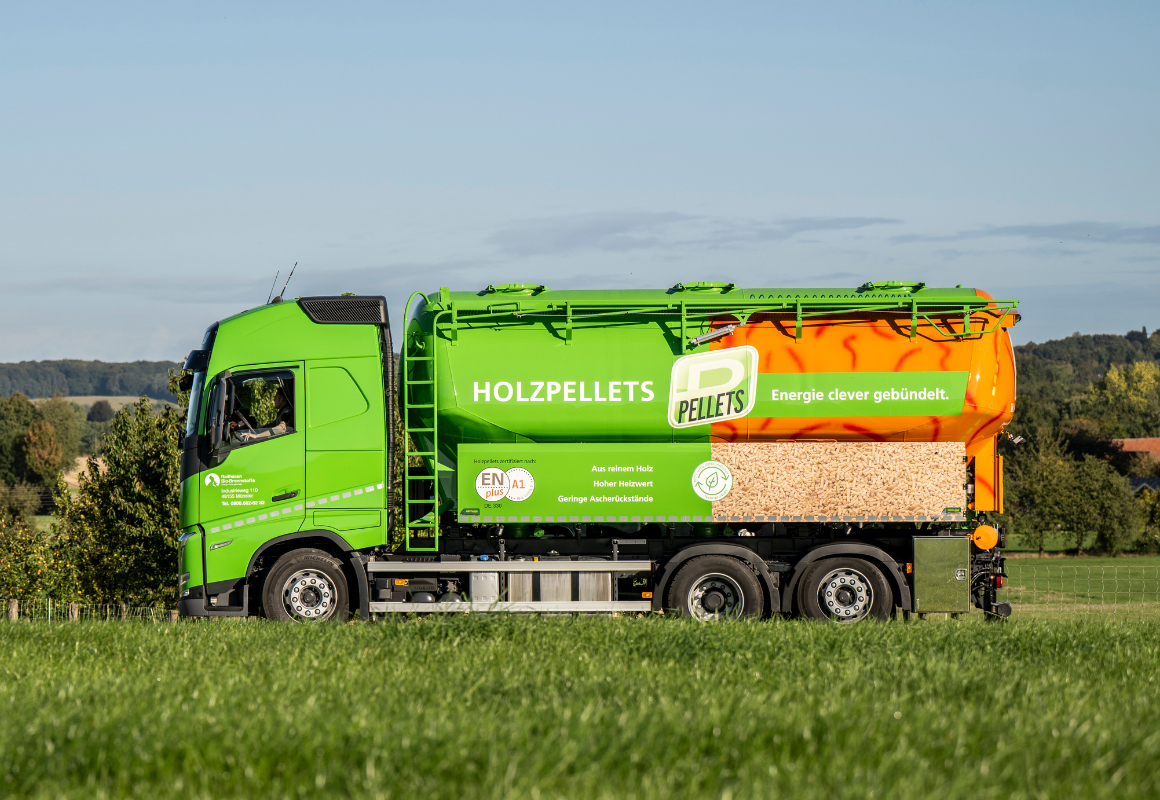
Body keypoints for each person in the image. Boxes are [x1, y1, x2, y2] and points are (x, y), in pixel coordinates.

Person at [229, 386, 293, 445]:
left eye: (275, 398)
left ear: (281, 400)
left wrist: (257, 436)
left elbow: (281, 428)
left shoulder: (287, 412)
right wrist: (246, 427)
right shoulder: (282, 412)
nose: (273, 400)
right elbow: (270, 426)